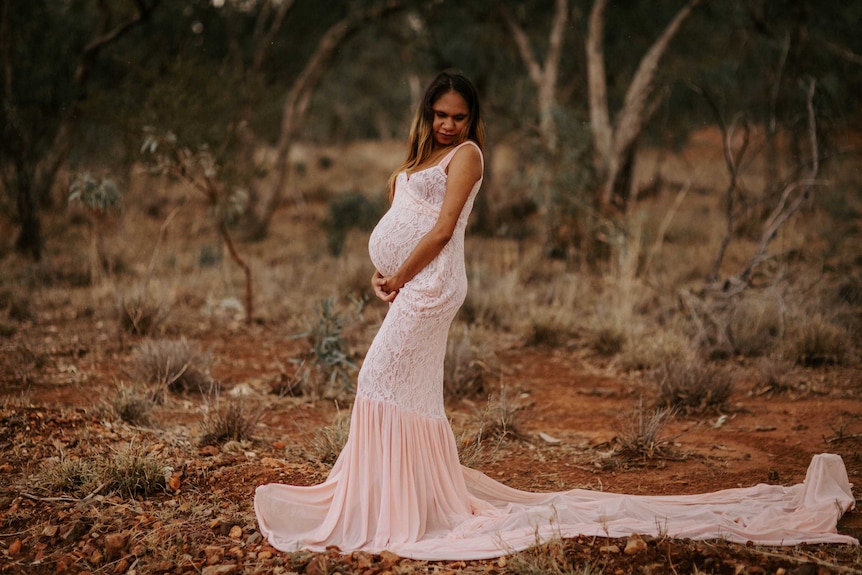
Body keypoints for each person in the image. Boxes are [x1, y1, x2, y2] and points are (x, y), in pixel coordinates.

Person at [254, 71, 856, 560]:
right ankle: (401, 499)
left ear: (472, 120)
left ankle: (392, 508)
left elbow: (441, 231)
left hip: (433, 285)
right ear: (426, 113)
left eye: (459, 115)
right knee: (404, 391)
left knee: (376, 380)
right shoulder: (413, 162)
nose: (448, 123)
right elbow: (403, 224)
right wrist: (382, 272)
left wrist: (402, 274)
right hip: (408, 284)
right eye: (440, 113)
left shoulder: (466, 156)